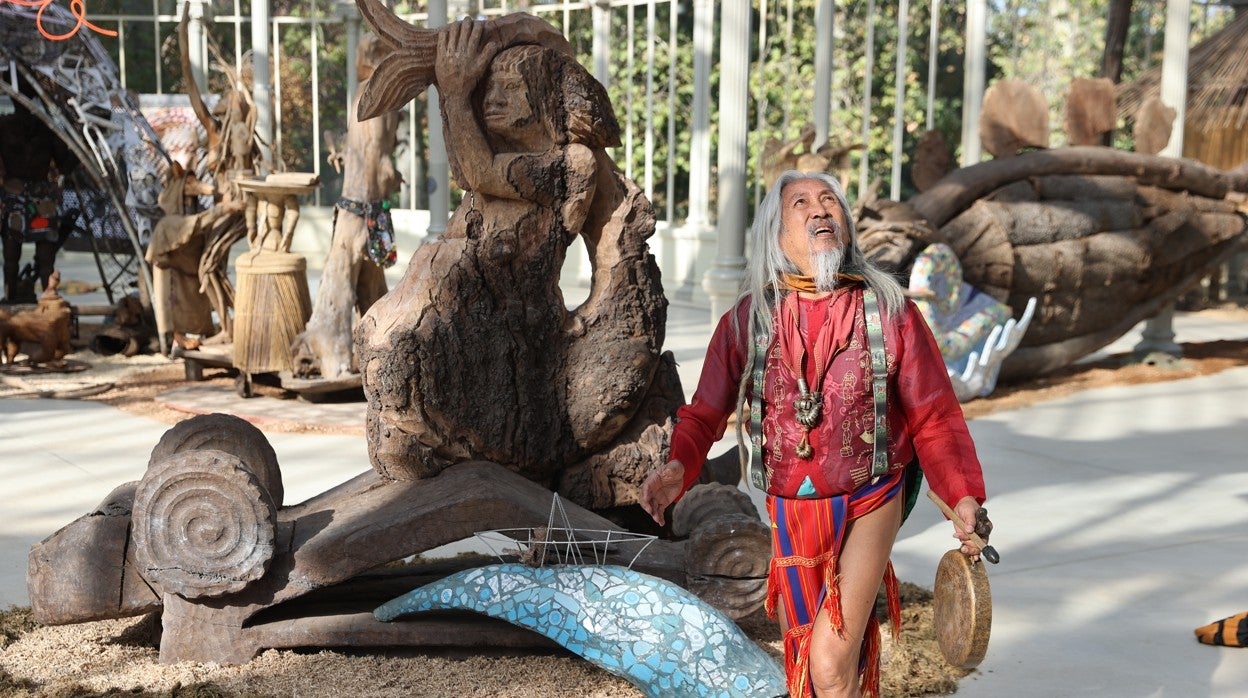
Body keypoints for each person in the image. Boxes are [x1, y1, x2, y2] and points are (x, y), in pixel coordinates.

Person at [640, 170, 991, 698]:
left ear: (846, 225)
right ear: (775, 235)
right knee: (808, 663)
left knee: (828, 660)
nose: (820, 210)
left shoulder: (892, 312)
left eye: (830, 201)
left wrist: (963, 497)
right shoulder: (748, 319)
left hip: (872, 495)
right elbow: (706, 412)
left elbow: (934, 417)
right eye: (800, 203)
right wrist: (679, 465)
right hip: (791, 505)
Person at [0, 101, 79, 303]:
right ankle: (32, 298)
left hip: (25, 197)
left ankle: (25, 298)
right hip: (32, 198)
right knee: (34, 257)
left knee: (21, 257)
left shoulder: (11, 125)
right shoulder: (44, 126)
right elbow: (65, 164)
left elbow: (65, 164)